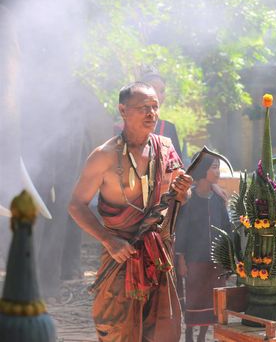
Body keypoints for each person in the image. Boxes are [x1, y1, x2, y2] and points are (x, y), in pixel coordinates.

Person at [68, 82, 192, 341]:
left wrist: (183, 191)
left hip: (158, 256)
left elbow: (182, 194)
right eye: (143, 108)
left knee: (161, 330)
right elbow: (76, 205)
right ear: (123, 110)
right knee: (116, 329)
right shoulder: (104, 156)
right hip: (121, 256)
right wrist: (108, 240)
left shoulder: (165, 148)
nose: (151, 113)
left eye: (155, 107)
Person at [175, 154, 231, 342]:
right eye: (214, 167)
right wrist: (181, 258)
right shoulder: (188, 199)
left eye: (219, 167)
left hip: (215, 261)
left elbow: (226, 229)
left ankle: (201, 336)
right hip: (194, 260)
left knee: (213, 300)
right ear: (203, 170)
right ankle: (190, 335)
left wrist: (228, 259)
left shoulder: (218, 199)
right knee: (194, 298)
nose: (218, 172)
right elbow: (181, 230)